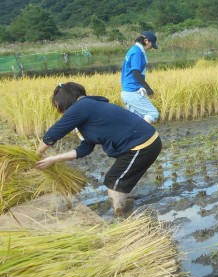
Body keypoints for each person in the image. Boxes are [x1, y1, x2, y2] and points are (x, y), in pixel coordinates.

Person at [35, 82, 162, 216]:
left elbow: (54, 133)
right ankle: (128, 209)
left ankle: (119, 218)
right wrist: (55, 159)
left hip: (142, 145)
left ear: (65, 102)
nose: (61, 112)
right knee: (121, 181)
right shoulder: (89, 110)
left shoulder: (81, 106)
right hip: (145, 143)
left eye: (59, 107)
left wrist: (38, 154)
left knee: (113, 182)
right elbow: (85, 148)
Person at [121, 30, 160, 124]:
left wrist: (141, 87)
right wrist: (148, 88)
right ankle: (143, 135)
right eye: (152, 44)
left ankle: (134, 137)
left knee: (136, 120)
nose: (151, 47)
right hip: (132, 91)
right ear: (146, 40)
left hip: (128, 91)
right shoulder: (137, 52)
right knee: (153, 113)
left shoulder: (134, 49)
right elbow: (135, 72)